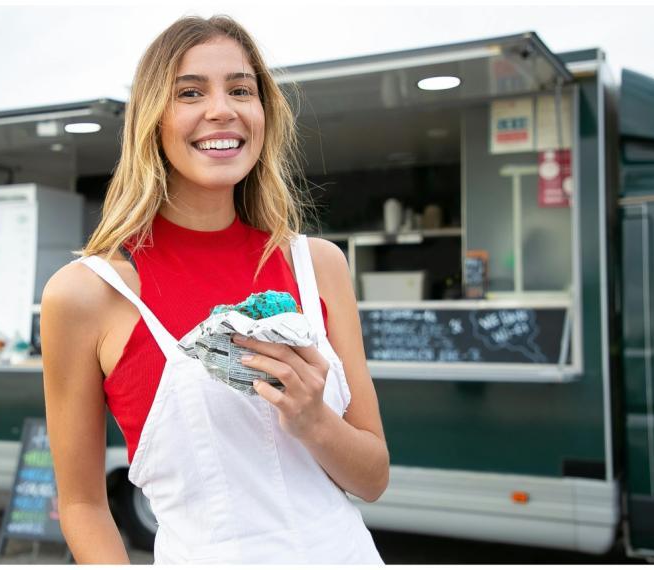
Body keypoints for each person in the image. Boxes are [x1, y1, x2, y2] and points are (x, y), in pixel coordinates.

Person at [41, 14, 388, 564]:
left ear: (263, 115)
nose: (221, 108)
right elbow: (82, 504)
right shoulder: (87, 294)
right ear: (152, 120)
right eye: (190, 92)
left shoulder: (318, 265)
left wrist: (315, 420)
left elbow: (372, 479)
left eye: (241, 90)